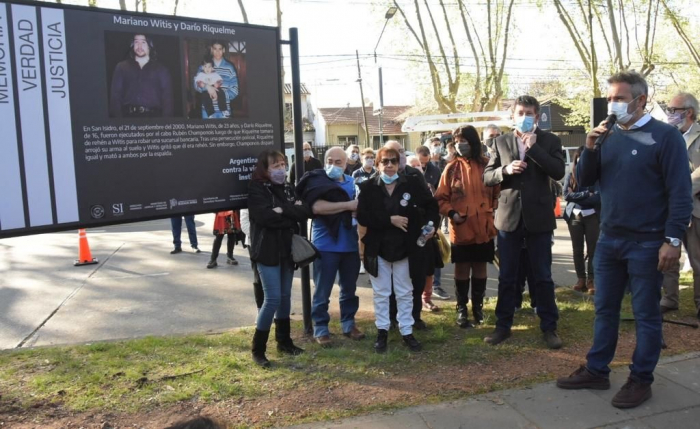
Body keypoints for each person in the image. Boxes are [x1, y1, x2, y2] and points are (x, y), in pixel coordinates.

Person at [556, 71, 692, 409]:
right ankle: (597, 370)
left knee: (646, 315)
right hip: (610, 239)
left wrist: (672, 240)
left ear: (640, 99)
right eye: (610, 98)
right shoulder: (607, 136)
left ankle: (640, 379)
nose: (613, 104)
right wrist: (588, 149)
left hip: (648, 243)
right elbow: (585, 181)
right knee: (604, 310)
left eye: (619, 98)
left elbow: (681, 193)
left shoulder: (665, 137)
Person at [483, 95, 565, 349]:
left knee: (542, 276)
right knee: (508, 276)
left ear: (537, 117)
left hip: (539, 218)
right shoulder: (501, 141)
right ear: (513, 115)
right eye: (520, 112)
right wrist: (504, 171)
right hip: (509, 218)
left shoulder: (550, 140)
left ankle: (549, 327)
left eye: (529, 113)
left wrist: (534, 148)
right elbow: (487, 177)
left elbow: (558, 171)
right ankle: (503, 326)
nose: (524, 117)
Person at [357, 147, 439, 353]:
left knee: (405, 292)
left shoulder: (411, 184)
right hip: (379, 248)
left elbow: (431, 206)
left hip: (406, 248)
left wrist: (431, 226)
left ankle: (406, 330)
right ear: (377, 165)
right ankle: (382, 331)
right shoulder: (368, 187)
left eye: (393, 161)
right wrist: (389, 220)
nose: (390, 165)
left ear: (399, 164)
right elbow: (362, 217)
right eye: (385, 161)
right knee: (382, 293)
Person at [248, 150, 311, 367]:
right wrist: (289, 212)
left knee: (285, 297)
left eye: (283, 164)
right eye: (275, 166)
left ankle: (284, 342)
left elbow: (304, 212)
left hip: (286, 249)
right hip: (266, 251)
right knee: (272, 298)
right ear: (265, 169)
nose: (281, 169)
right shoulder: (257, 188)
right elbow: (264, 217)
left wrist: (281, 211)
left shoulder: (287, 188)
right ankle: (258, 350)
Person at [296, 147, 365, 346]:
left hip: (350, 245)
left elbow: (362, 208)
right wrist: (348, 206)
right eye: (330, 161)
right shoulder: (317, 182)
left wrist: (357, 210)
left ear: (346, 164)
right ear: (324, 161)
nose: (333, 165)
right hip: (325, 246)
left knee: (349, 290)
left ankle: (348, 324)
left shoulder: (353, 183)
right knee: (322, 290)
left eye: (338, 162)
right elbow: (317, 207)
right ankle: (321, 328)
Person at [436, 125, 499, 327]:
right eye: (456, 141)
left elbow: (498, 193)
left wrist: (493, 213)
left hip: (484, 228)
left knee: (480, 267)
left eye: (463, 140)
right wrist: (452, 213)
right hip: (461, 227)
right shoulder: (451, 168)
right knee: (462, 268)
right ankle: (461, 309)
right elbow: (440, 198)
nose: (459, 144)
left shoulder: (488, 165)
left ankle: (478, 309)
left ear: (473, 141)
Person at [384, 140, 433, 330]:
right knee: (394, 281)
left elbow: (428, 203)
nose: (399, 156)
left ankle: (415, 316)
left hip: (416, 235)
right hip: (391, 239)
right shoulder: (380, 179)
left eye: (401, 151)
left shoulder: (414, 175)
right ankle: (393, 317)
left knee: (417, 276)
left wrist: (430, 226)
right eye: (393, 153)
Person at [660, 92, 700, 318]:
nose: (670, 114)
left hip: (695, 206)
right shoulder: (667, 135)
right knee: (668, 256)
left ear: (689, 112)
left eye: (674, 110)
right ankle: (670, 298)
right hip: (670, 208)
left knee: (698, 259)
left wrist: (680, 190)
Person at [563, 146, 600, 294]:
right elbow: (566, 195)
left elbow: (598, 198)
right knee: (577, 249)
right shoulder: (570, 176)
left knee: (593, 249)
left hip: (592, 215)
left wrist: (579, 195)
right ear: (576, 159)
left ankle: (591, 280)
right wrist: (587, 194)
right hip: (575, 216)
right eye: (579, 158)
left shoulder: (596, 176)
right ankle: (581, 279)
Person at [109, 34, 174, 118]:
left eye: (143, 42)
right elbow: (115, 97)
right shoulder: (121, 67)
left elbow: (168, 101)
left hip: (154, 120)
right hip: (128, 119)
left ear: (150, 45)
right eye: (136, 42)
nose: (139, 46)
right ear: (132, 45)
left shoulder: (162, 70)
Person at [194, 41, 238, 119]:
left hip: (224, 112)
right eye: (215, 49)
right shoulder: (204, 66)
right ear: (211, 49)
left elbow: (235, 90)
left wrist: (219, 96)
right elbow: (196, 85)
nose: (217, 52)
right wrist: (207, 87)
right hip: (207, 112)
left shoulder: (230, 68)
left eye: (220, 49)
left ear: (223, 50)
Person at [352, 148, 376, 275]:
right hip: (361, 208)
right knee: (361, 237)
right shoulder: (356, 174)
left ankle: (372, 261)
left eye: (372, 157)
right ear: (362, 159)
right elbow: (354, 191)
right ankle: (362, 262)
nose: (370, 160)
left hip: (374, 209)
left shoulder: (377, 173)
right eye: (367, 158)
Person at [240, 208, 264, 311]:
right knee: (258, 277)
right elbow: (244, 223)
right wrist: (262, 235)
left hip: (275, 241)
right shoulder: (248, 199)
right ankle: (260, 309)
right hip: (254, 242)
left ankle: (277, 311)